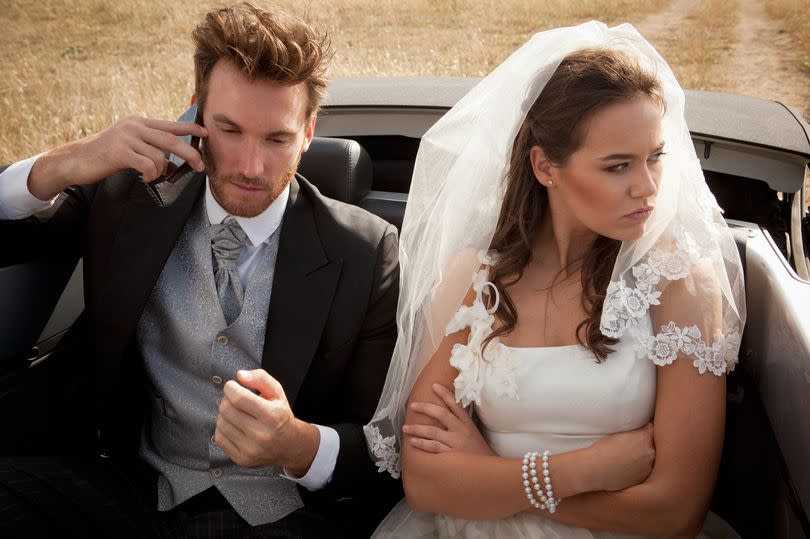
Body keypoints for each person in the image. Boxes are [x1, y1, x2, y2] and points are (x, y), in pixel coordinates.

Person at [0, 2, 400, 537]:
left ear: (308, 132)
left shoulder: (366, 251)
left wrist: (299, 444)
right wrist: (65, 162)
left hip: (277, 514)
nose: (250, 167)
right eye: (229, 130)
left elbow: (383, 447)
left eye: (276, 139)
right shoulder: (128, 196)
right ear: (194, 114)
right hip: (125, 485)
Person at [364, 21, 746, 538]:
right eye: (617, 166)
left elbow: (675, 512)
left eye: (655, 157)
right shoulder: (480, 279)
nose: (648, 187)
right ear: (546, 167)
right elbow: (425, 482)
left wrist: (493, 481)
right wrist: (575, 473)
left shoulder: (679, 284)